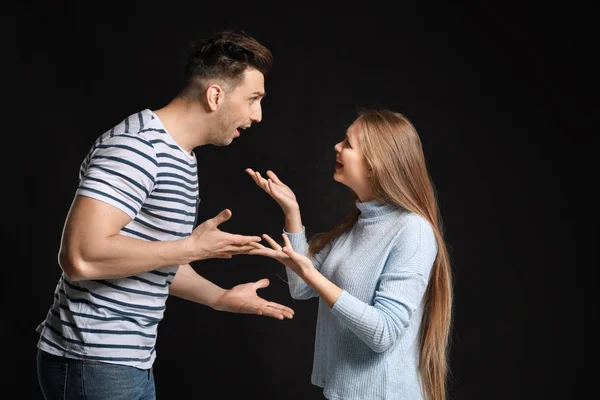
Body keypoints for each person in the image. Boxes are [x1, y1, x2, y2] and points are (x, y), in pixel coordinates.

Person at [36, 29, 295, 400]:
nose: (257, 116)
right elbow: (80, 256)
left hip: (128, 361)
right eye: (253, 99)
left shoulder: (181, 155)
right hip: (92, 360)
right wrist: (190, 247)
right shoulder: (137, 147)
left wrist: (220, 297)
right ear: (215, 95)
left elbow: (151, 259)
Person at [246, 108, 453, 400]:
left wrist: (309, 273)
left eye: (348, 143)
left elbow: (383, 333)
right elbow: (301, 287)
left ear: (373, 165)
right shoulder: (358, 223)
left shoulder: (412, 230)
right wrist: (292, 211)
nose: (337, 147)